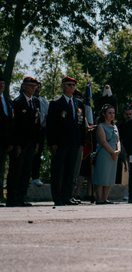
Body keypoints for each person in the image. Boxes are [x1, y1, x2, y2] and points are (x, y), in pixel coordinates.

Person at [47, 76, 87, 206]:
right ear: (63, 86)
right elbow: (51, 125)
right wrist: (52, 143)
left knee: (70, 171)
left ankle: (67, 196)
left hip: (75, 143)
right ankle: (58, 197)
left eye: (73, 85)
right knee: (59, 171)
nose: (71, 87)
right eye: (69, 85)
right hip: (61, 143)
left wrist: (82, 141)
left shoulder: (79, 104)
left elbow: (81, 125)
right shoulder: (56, 103)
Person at [6, 77, 42, 207]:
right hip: (20, 143)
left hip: (31, 143)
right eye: (31, 86)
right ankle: (12, 198)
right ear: (24, 86)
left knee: (26, 171)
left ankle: (21, 197)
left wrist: (38, 142)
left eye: (35, 86)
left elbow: (37, 124)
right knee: (16, 170)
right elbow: (14, 126)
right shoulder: (17, 102)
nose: (33, 88)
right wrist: (16, 144)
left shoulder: (35, 102)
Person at [90, 106, 120, 204]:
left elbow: (118, 140)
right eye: (109, 113)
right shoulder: (101, 126)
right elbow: (103, 141)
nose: (112, 115)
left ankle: (105, 198)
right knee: (102, 176)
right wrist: (112, 152)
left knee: (110, 176)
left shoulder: (115, 126)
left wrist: (118, 150)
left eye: (113, 113)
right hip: (104, 153)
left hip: (114, 154)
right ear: (104, 114)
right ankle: (99, 198)